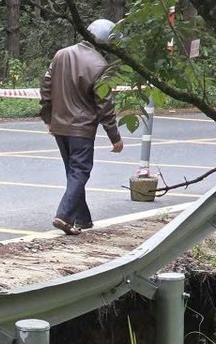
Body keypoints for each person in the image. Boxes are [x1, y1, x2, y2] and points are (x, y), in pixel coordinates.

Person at [39, 19, 124, 235]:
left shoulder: (61, 54)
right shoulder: (100, 65)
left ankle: (83, 218)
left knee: (73, 172)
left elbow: (46, 85)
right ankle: (64, 215)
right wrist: (115, 137)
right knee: (80, 172)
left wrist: (49, 118)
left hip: (59, 126)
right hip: (81, 129)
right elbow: (105, 105)